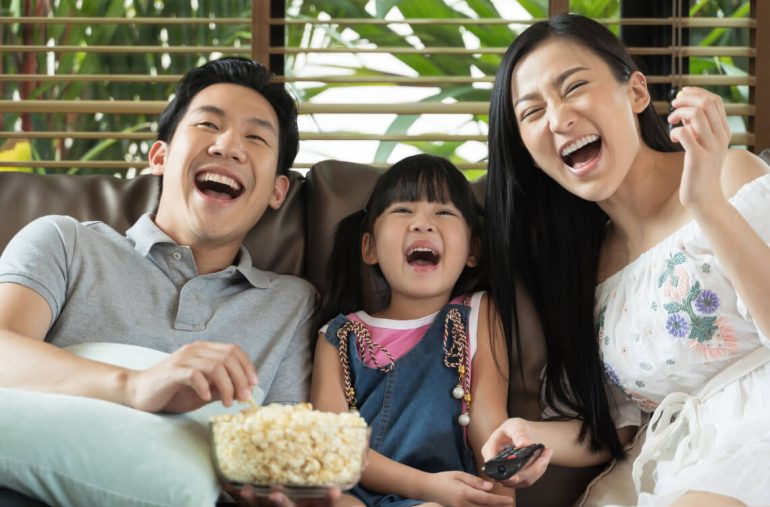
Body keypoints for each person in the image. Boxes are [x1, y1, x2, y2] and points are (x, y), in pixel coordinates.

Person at [0, 57, 319, 505]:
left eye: (255, 137)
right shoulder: (64, 242)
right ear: (160, 157)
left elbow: (280, 452)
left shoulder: (291, 304)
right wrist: (137, 385)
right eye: (208, 124)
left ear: (276, 192)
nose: (228, 146)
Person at [482, 13, 770, 507]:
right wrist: (531, 432)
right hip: (684, 467)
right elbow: (618, 427)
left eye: (573, 87)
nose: (557, 118)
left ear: (636, 93)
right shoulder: (586, 273)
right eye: (531, 113)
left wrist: (706, 204)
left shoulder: (728, 177)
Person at [310, 154, 520, 506]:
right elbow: (333, 448)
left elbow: (489, 423)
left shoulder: (478, 314)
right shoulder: (338, 335)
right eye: (403, 210)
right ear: (370, 247)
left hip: (448, 496)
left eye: (444, 212)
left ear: (473, 250)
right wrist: (427, 487)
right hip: (358, 493)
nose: (422, 224)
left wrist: (499, 498)